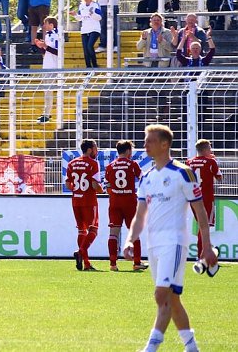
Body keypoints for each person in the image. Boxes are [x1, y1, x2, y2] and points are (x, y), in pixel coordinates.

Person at [124, 124, 216, 352]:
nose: (144, 145)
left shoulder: (183, 173)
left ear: (164, 144)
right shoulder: (146, 178)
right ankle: (191, 346)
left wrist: (207, 245)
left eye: (149, 141)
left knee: (161, 293)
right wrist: (129, 240)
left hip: (174, 242)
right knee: (171, 298)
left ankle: (151, 346)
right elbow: (139, 215)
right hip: (153, 244)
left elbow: (200, 210)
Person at [104, 140, 144, 272]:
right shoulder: (132, 164)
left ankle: (113, 264)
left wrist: (116, 194)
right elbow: (143, 180)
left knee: (113, 233)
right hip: (129, 202)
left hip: (115, 201)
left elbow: (108, 187)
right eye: (131, 151)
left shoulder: (110, 166)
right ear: (127, 151)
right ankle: (137, 262)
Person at [65, 139, 104, 271]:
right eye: (95, 148)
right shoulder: (93, 163)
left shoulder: (71, 163)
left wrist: (77, 190)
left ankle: (86, 263)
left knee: (82, 230)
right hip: (89, 201)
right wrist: (101, 189)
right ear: (89, 150)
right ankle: (80, 252)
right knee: (93, 229)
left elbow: (68, 184)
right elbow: (94, 185)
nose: (96, 151)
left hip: (76, 201)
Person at [186, 139, 223, 258]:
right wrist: (214, 161)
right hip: (206, 198)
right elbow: (219, 178)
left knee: (202, 225)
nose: (211, 150)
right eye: (210, 148)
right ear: (206, 149)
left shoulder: (188, 162)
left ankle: (208, 249)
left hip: (193, 198)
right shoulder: (211, 161)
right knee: (204, 225)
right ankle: (202, 254)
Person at [35, 16, 61, 124]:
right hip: (47, 65)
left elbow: (58, 52)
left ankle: (47, 113)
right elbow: (47, 52)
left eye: (46, 24)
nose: (44, 26)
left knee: (48, 91)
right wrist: (40, 46)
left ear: (51, 25)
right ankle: (47, 112)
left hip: (53, 66)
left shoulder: (56, 35)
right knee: (46, 91)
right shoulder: (47, 36)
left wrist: (45, 46)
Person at [74, 0, 101, 68]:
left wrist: (92, 14)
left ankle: (95, 65)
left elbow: (99, 17)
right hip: (85, 29)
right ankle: (88, 67)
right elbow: (80, 18)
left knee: (90, 46)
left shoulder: (95, 5)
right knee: (85, 49)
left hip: (94, 28)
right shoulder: (81, 6)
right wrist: (75, 15)